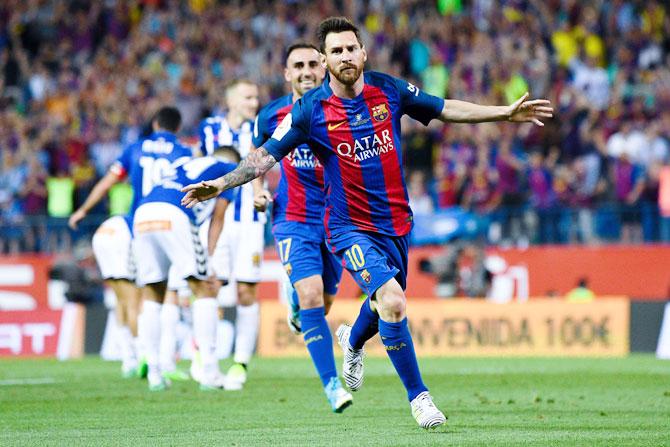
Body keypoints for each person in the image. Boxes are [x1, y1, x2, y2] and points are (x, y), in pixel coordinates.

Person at [182, 17, 553, 428]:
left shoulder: (388, 89)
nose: (344, 56)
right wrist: (219, 184)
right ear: (325, 61)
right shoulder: (309, 111)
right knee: (393, 301)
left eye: (350, 48)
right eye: (335, 51)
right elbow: (263, 156)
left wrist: (504, 113)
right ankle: (420, 398)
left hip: (396, 223)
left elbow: (445, 109)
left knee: (381, 305)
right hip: (347, 227)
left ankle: (353, 341)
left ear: (363, 52)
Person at [252, 42, 351, 412]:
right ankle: (331, 386)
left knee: (322, 302)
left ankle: (295, 299)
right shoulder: (271, 115)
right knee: (311, 295)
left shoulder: (344, 108)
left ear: (324, 68)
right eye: (299, 65)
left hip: (338, 222)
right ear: (287, 73)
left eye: (313, 63)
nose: (307, 71)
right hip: (293, 219)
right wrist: (259, 192)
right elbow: (257, 161)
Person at [68, 107, 191, 379]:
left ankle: (140, 359)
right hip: (171, 222)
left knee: (138, 296)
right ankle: (161, 362)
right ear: (177, 127)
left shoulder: (135, 148)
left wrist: (83, 210)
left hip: (139, 224)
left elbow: (107, 182)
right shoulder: (184, 151)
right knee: (167, 294)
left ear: (155, 123)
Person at [133, 150, 236, 391]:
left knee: (152, 293)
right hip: (174, 213)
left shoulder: (185, 162)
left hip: (143, 213)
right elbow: (217, 219)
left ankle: (155, 374)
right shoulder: (228, 170)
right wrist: (209, 260)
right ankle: (210, 372)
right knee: (204, 290)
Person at [197, 79, 269, 390]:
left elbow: (259, 167)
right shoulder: (209, 128)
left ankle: (240, 362)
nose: (254, 102)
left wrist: (259, 194)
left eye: (255, 97)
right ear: (231, 99)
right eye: (248, 96)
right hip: (216, 220)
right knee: (210, 286)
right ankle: (207, 361)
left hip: (250, 221)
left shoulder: (261, 128)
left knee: (245, 292)